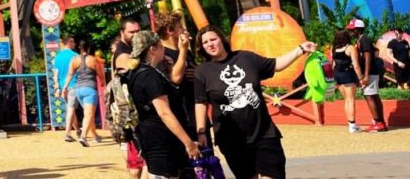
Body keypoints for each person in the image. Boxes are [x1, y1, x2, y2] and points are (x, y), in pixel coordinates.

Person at [194, 24, 316, 179]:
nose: (210, 44)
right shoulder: (203, 71)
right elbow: (200, 102)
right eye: (205, 42)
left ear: (222, 40)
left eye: (213, 39)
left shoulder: (246, 58)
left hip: (263, 132)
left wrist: (300, 49)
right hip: (231, 138)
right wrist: (201, 131)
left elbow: (276, 64)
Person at [126, 30, 200, 178]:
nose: (164, 49)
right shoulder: (149, 76)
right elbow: (164, 113)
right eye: (161, 46)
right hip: (164, 143)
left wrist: (168, 70)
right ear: (152, 49)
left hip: (151, 139)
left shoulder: (134, 73)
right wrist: (189, 143)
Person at [154, 11, 196, 136]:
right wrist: (183, 49)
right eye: (180, 27)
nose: (183, 29)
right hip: (181, 117)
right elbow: (175, 78)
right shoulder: (162, 54)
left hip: (195, 112)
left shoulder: (185, 50)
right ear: (169, 31)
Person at [112, 17, 144, 179]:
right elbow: (129, 66)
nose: (136, 35)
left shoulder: (131, 49)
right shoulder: (123, 53)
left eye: (138, 31)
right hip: (132, 116)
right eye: (132, 32)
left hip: (132, 115)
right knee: (144, 161)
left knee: (136, 162)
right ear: (122, 33)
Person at [348, 18, 387, 132]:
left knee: (369, 96)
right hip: (371, 72)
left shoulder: (364, 40)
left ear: (358, 30)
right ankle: (381, 122)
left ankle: (378, 122)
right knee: (374, 96)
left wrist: (365, 75)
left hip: (369, 73)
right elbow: (375, 51)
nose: (351, 32)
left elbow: (368, 57)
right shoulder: (362, 40)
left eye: (352, 29)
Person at [64, 39, 102, 146]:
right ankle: (83, 137)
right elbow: (100, 74)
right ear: (89, 48)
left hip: (78, 89)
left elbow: (70, 75)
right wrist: (103, 83)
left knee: (88, 115)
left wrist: (65, 87)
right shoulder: (93, 59)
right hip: (90, 89)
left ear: (79, 48)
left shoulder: (74, 59)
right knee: (89, 115)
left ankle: (95, 136)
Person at [330, 29, 361, 132]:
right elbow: (356, 65)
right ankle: (352, 125)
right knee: (351, 100)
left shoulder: (333, 48)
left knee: (346, 100)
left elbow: (332, 64)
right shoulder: (350, 48)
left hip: (337, 75)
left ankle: (350, 124)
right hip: (348, 74)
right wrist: (361, 77)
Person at [52, 34, 81, 141]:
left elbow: (55, 73)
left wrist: (58, 88)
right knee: (71, 109)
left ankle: (77, 129)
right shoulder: (75, 55)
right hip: (73, 84)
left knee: (71, 109)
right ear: (69, 42)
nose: (74, 44)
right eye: (73, 42)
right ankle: (68, 133)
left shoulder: (57, 57)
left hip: (62, 85)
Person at [385, 25, 410, 89]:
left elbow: (408, 53)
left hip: (407, 66)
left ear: (402, 33)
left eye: (398, 34)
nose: (396, 35)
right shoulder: (392, 43)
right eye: (395, 34)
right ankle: (400, 97)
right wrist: (398, 62)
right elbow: (388, 54)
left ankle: (406, 98)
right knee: (400, 85)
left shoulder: (406, 42)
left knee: (407, 85)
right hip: (398, 66)